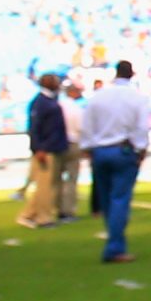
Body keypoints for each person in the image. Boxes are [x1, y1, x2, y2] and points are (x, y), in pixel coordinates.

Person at [84, 60, 151, 264]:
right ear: (132, 74)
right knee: (120, 199)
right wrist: (141, 149)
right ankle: (115, 247)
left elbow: (87, 125)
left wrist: (88, 148)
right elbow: (141, 127)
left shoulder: (99, 96)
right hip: (123, 150)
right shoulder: (138, 98)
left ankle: (114, 241)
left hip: (100, 150)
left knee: (106, 200)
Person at [19, 72, 68, 229]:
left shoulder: (48, 101)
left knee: (49, 184)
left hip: (52, 147)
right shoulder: (41, 102)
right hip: (46, 150)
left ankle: (30, 214)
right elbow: (35, 128)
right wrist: (39, 148)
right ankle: (43, 217)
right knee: (45, 186)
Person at [58, 79, 86, 222]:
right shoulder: (75, 108)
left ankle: (57, 208)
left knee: (57, 178)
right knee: (71, 179)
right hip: (73, 143)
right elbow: (81, 128)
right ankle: (68, 211)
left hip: (58, 144)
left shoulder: (58, 105)